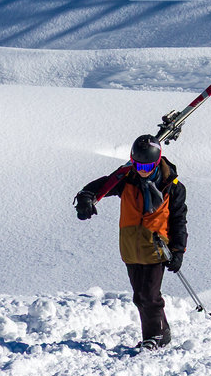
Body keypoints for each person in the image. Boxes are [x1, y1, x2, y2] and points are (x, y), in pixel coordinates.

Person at [74, 134, 188, 350]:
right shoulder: (126, 179)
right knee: (140, 296)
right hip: (130, 247)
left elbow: (178, 220)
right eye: (137, 164)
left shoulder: (172, 187)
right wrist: (85, 198)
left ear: (157, 161)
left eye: (147, 165)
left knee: (150, 295)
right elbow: (102, 185)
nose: (142, 169)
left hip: (156, 247)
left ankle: (154, 337)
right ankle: (161, 333)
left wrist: (178, 250)